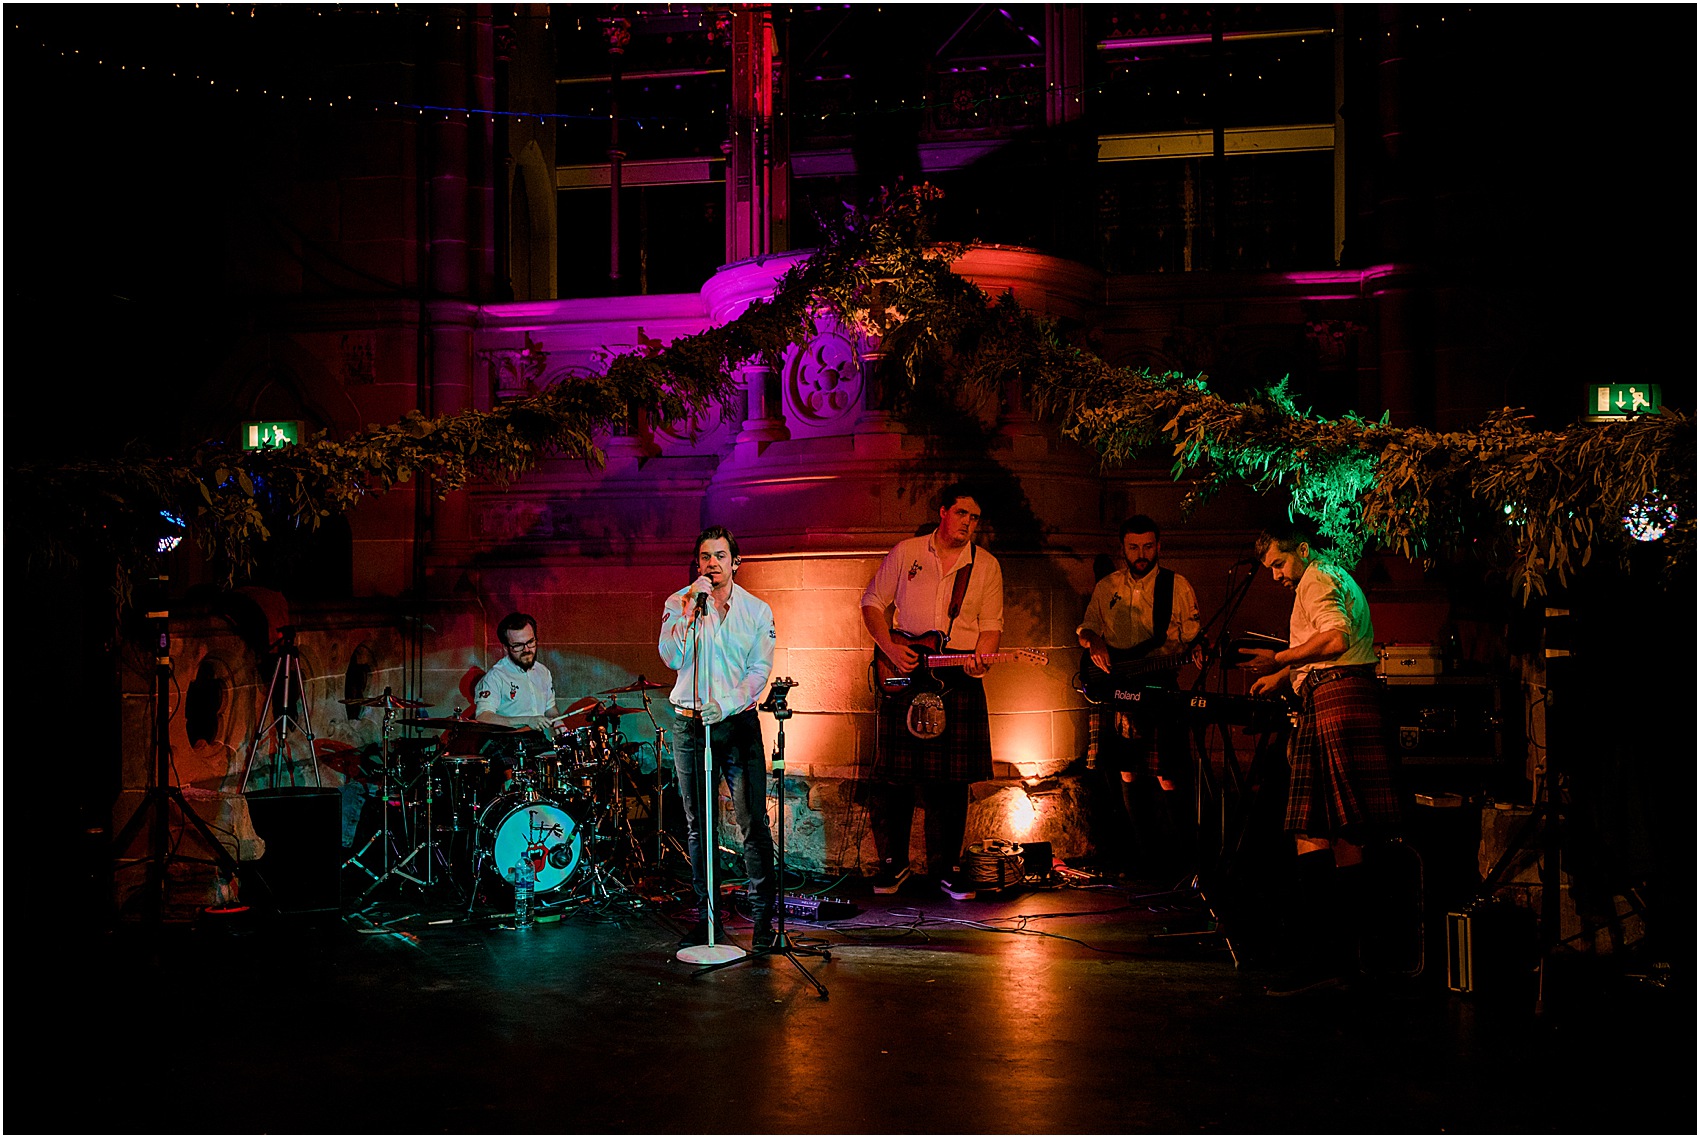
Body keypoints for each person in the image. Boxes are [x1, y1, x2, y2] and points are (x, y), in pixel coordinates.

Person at [1239, 522, 1402, 992]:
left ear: (1302, 550)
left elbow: (1334, 639)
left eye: (1278, 564)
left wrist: (1280, 660)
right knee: (1347, 832)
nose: (1274, 576)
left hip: (1335, 702)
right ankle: (1347, 962)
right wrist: (1285, 675)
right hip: (1347, 695)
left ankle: (1324, 961)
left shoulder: (1316, 578)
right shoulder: (1330, 573)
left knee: (1311, 830)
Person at [859, 483, 1004, 901]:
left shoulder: (987, 565)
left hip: (957, 671)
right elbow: (872, 601)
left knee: (952, 781)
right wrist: (889, 648)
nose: (968, 524)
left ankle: (948, 868)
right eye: (962, 514)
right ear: (943, 511)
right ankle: (893, 864)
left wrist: (982, 660)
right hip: (905, 664)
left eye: (975, 518)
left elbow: (991, 625)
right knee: (895, 778)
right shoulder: (907, 553)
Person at [658, 525, 778, 949]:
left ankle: (763, 924)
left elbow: (758, 673)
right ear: (698, 563)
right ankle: (709, 920)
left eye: (721, 556)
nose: (713, 564)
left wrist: (725, 704)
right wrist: (691, 608)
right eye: (705, 557)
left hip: (737, 724)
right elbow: (672, 657)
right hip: (690, 724)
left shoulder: (757, 611)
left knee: (752, 823)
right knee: (699, 826)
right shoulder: (680, 602)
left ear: (735, 562)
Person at [1076, 514, 1201, 879]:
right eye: (1134, 547)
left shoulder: (1176, 586)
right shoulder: (1107, 586)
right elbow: (1087, 628)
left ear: (1159, 546)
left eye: (1148, 546)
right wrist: (1095, 641)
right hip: (1116, 683)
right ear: (1123, 548)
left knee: (1168, 772)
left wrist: (1197, 649)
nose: (1141, 554)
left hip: (1160, 680)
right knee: (1127, 770)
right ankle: (1143, 858)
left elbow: (1193, 635)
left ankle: (1183, 862)